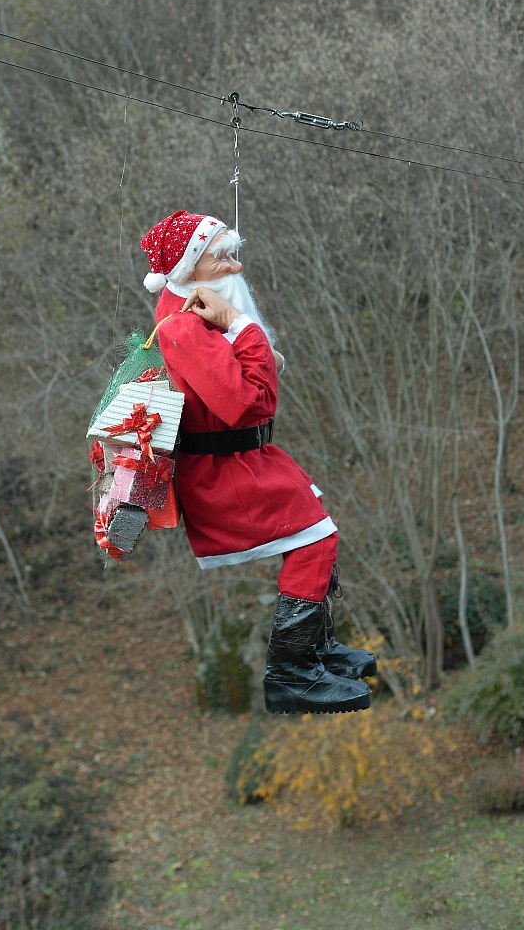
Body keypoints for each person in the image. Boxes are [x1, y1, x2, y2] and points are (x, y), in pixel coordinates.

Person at [140, 209, 375, 714]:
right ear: (188, 268)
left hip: (251, 457)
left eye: (233, 254)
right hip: (225, 472)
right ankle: (291, 672)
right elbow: (250, 403)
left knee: (320, 530)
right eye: (221, 257)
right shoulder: (183, 326)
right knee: (316, 539)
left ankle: (312, 647)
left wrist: (240, 333)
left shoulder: (196, 314)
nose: (235, 268)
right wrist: (241, 325)